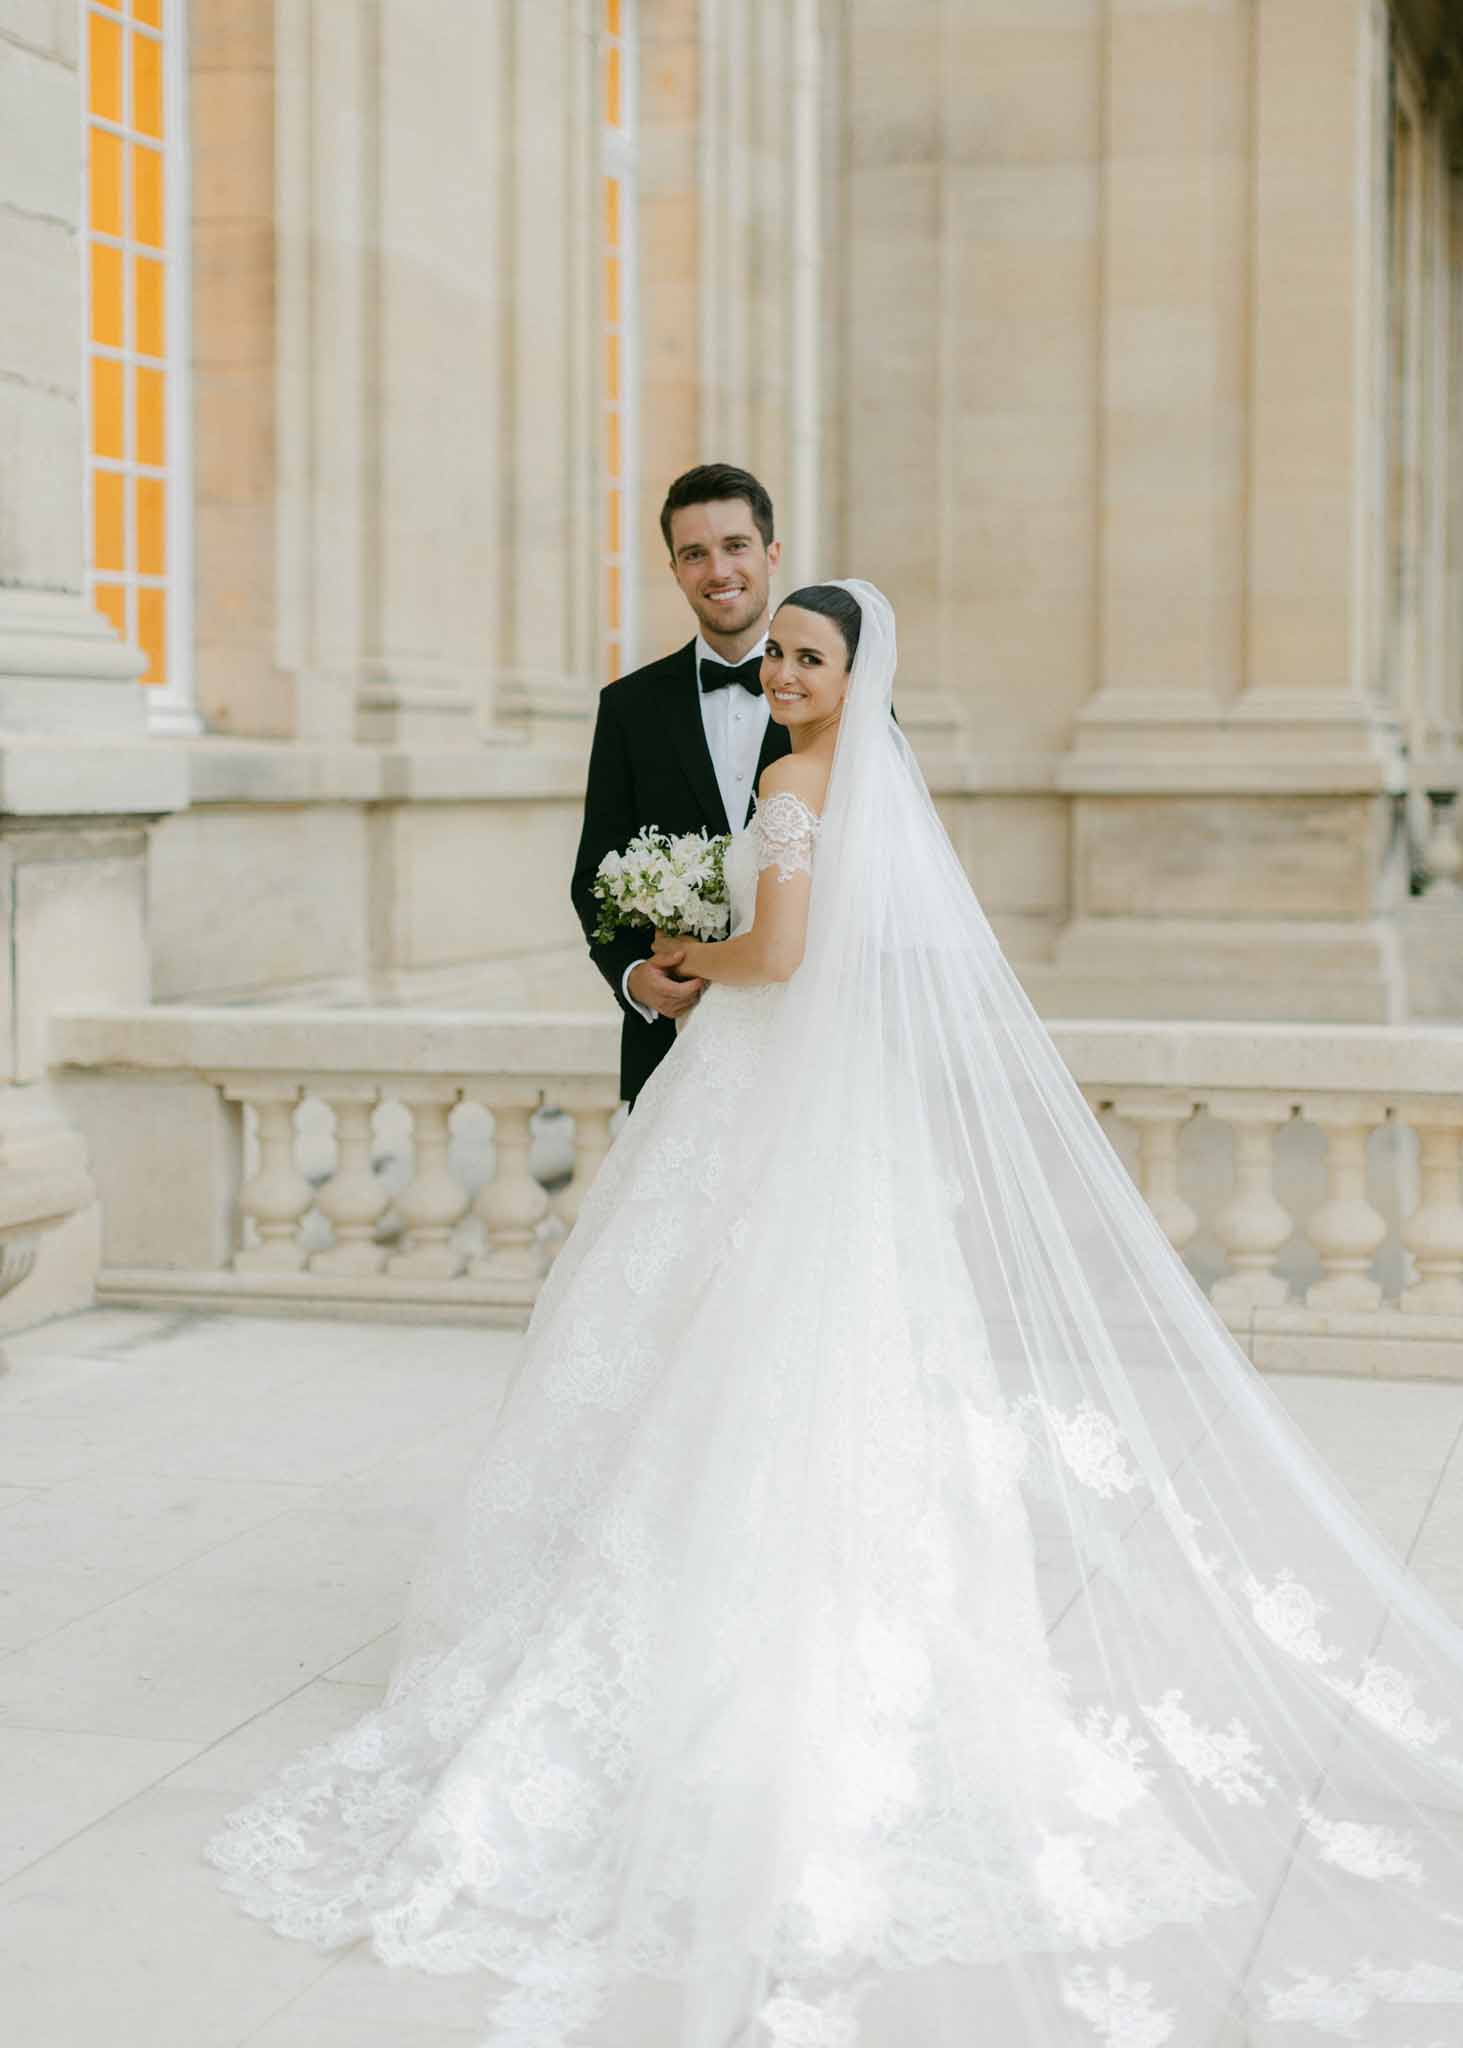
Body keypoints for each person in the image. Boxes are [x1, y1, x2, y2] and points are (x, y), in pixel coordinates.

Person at [207, 581, 1463, 2048]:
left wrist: (689, 969)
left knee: (723, 1348)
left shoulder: (799, 783)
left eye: (811, 658)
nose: (790, 674)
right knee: (762, 1356)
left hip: (750, 1077)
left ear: (854, 677)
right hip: (787, 1100)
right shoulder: (827, 788)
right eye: (784, 658)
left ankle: (711, 1638)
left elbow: (785, 958)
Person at [570, 461, 791, 1109]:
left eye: (734, 546)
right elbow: (593, 871)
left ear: (771, 553)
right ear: (674, 570)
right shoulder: (628, 708)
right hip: (674, 1047)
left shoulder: (844, 698)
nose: (717, 571)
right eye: (694, 554)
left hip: (808, 1041)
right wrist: (634, 977)